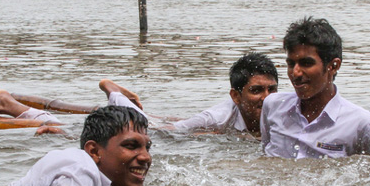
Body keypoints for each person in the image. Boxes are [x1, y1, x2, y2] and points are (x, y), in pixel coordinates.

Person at [260, 17, 370, 158]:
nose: (295, 73)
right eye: (291, 64)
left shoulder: (363, 124)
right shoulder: (273, 106)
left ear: (333, 66)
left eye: (306, 63)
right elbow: (265, 156)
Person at [0, 105, 151, 186]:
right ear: (94, 151)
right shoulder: (80, 173)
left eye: (147, 147)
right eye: (131, 146)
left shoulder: (109, 179)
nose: (145, 157)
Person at [100, 52, 279, 135]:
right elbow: (169, 133)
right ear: (236, 96)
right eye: (256, 90)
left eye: (272, 89)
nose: (267, 98)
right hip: (201, 122)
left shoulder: (280, 106)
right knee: (151, 126)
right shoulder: (216, 118)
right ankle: (113, 91)